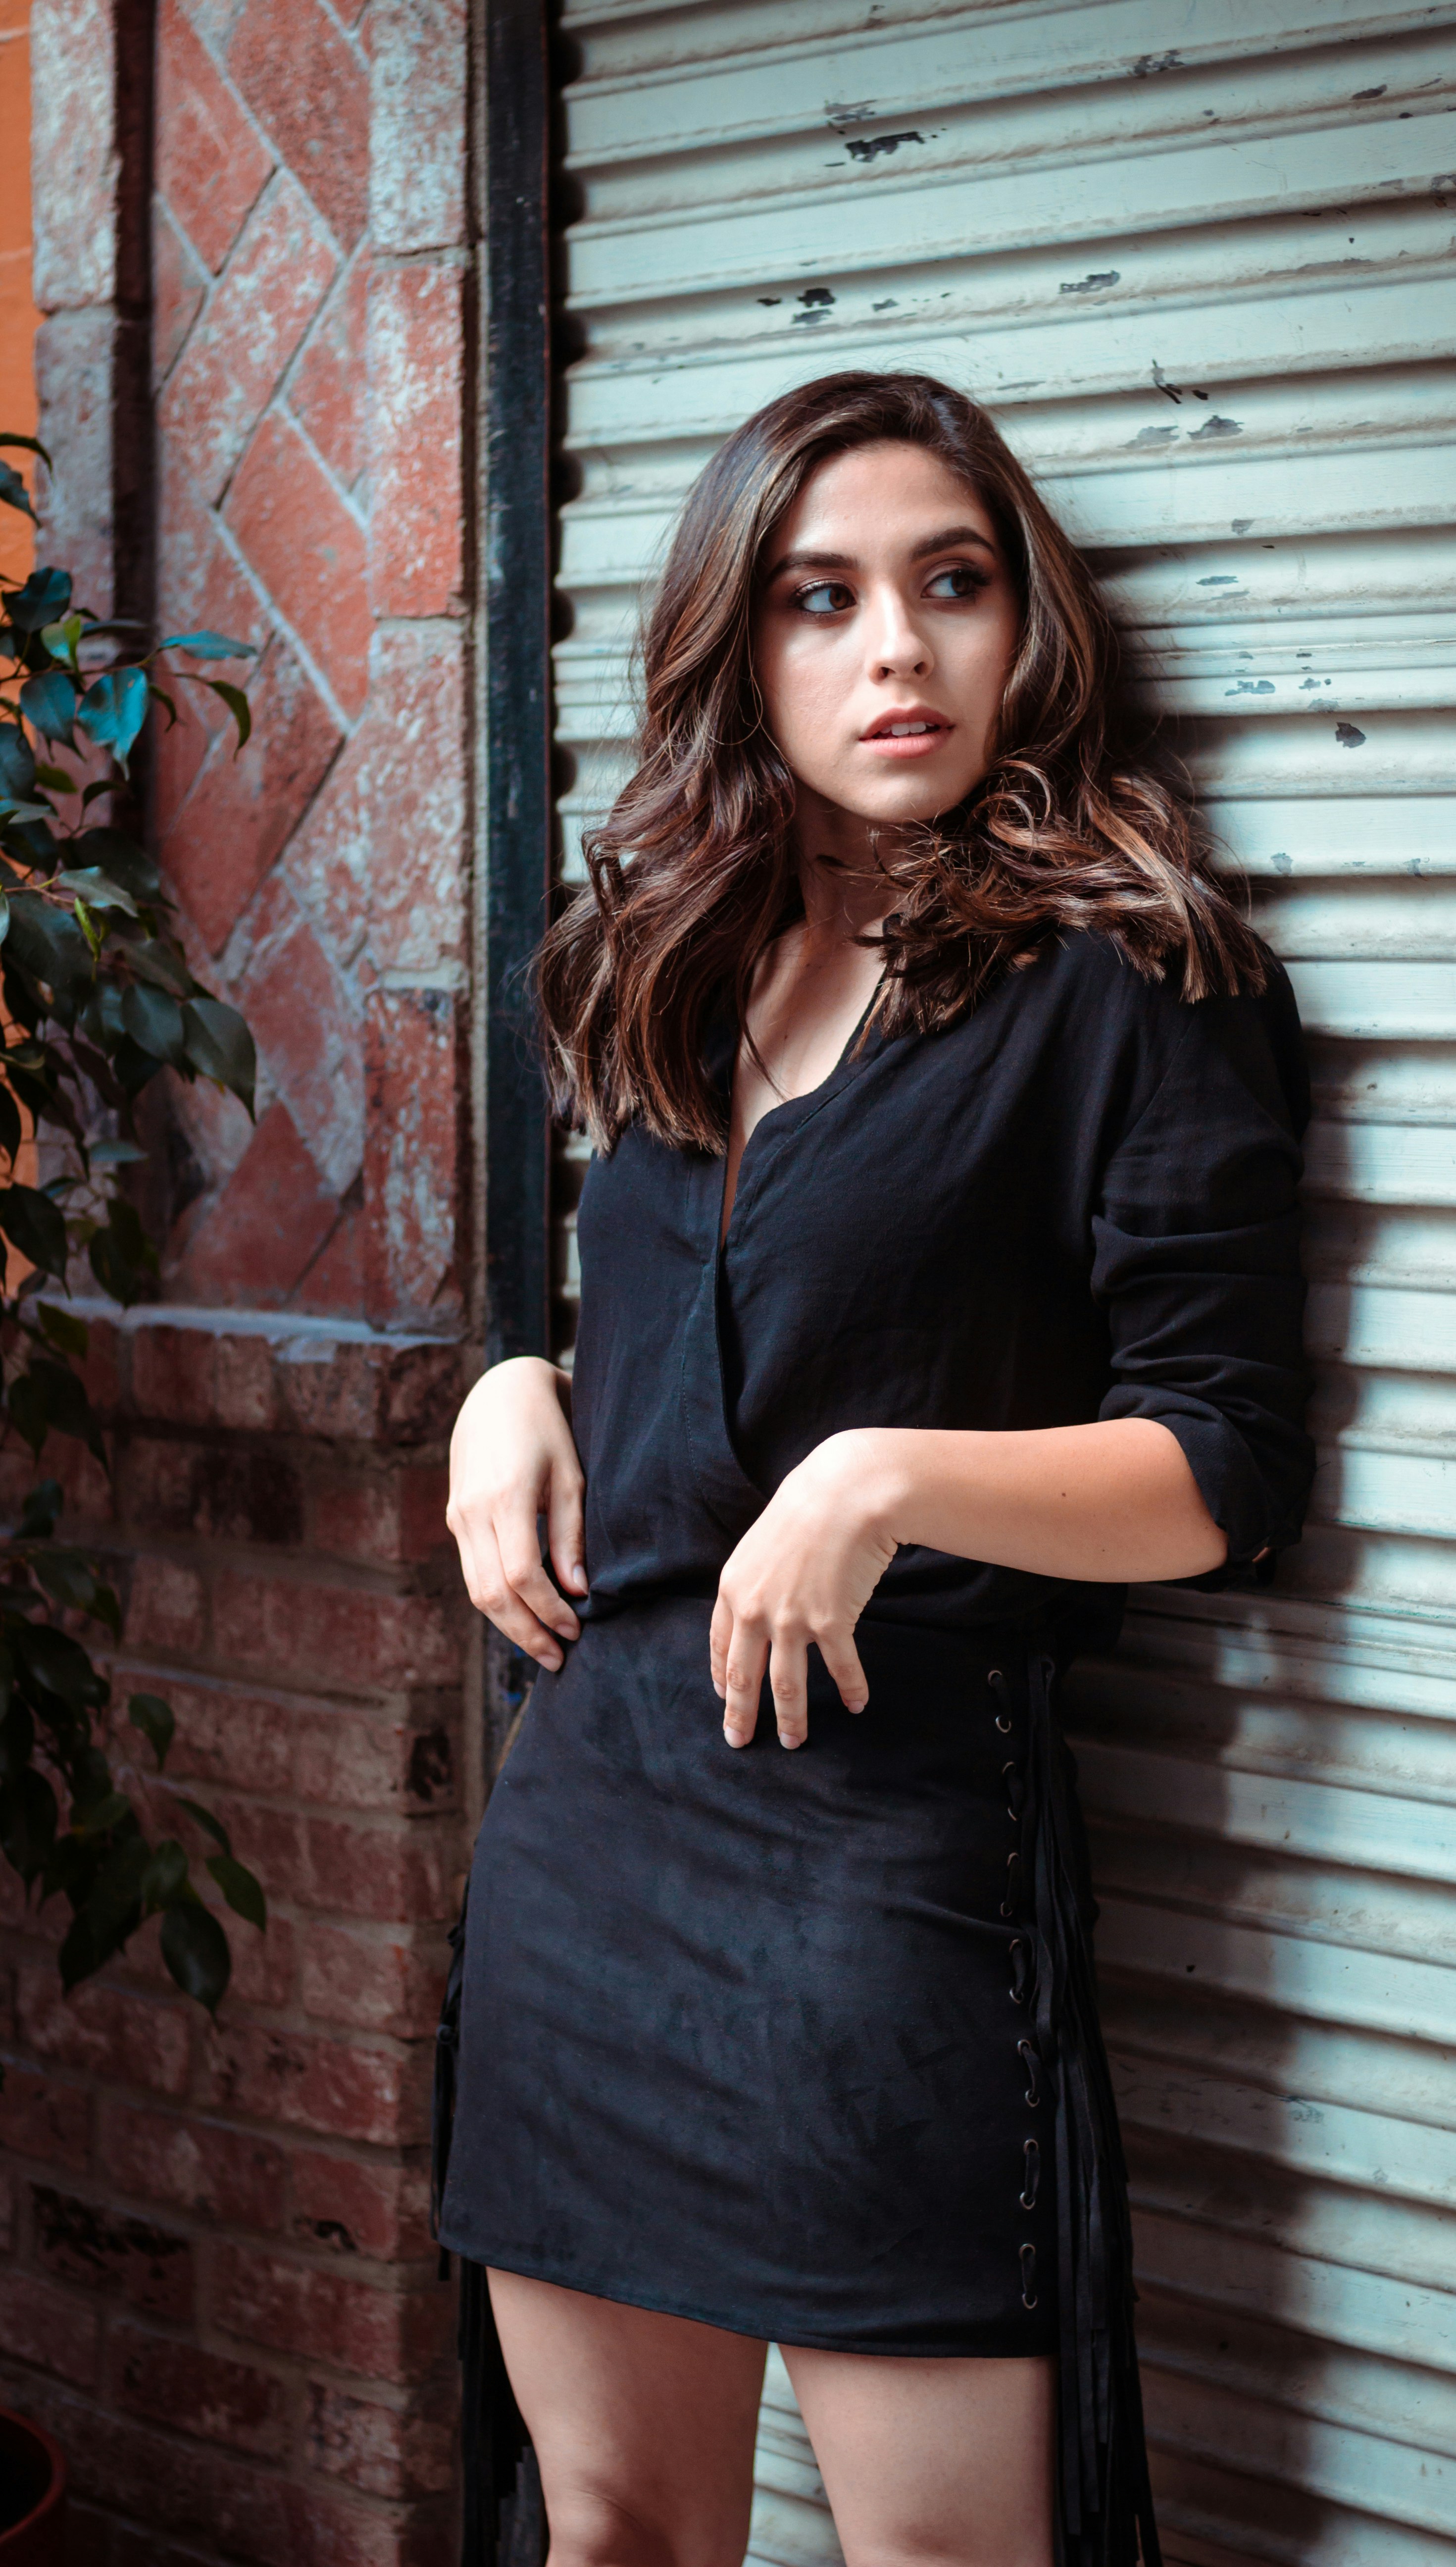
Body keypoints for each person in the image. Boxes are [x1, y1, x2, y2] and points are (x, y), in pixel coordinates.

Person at [435, 370, 1312, 2567]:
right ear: (741, 646)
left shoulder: (1132, 980)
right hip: (590, 1841)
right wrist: (511, 1384)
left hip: (884, 1873)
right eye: (820, 601)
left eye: (951, 583)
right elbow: (666, 1330)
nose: (895, 651)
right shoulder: (666, 962)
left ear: (1032, 625)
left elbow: (1223, 1466)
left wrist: (886, 1482)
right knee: (614, 2526)